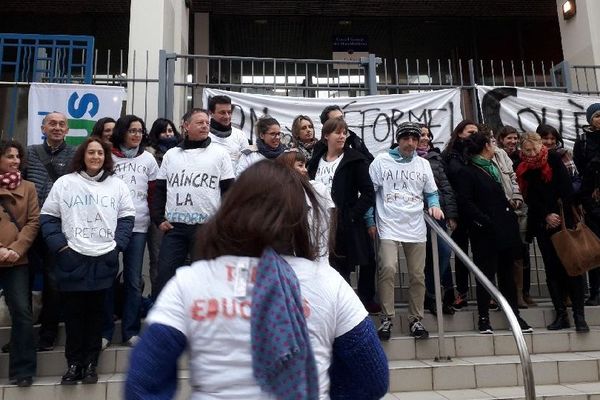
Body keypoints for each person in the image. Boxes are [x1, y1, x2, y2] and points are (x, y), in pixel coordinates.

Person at [125, 160, 388, 400]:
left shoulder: (191, 281)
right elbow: (372, 379)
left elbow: (142, 381)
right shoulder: (328, 282)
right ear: (298, 216)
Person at [40, 137, 136, 384]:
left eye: (100, 153)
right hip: (72, 258)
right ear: (82, 155)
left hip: (104, 258)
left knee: (97, 317)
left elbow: (127, 219)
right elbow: (49, 217)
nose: (95, 157)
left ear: (106, 157)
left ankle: (91, 365)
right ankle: (73, 365)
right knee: (73, 317)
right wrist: (60, 247)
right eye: (91, 153)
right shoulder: (65, 183)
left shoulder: (118, 185)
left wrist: (117, 247)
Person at [369, 122, 444, 340]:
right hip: (388, 224)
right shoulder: (381, 161)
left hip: (415, 226)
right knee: (388, 268)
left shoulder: (423, 164)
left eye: (414, 139)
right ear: (398, 139)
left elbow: (431, 192)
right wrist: (368, 221)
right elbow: (369, 192)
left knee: (417, 274)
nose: (410, 143)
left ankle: (416, 319)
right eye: (406, 139)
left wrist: (435, 205)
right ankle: (387, 318)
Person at [151, 108, 234, 298]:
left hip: (206, 227)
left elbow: (229, 191)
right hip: (175, 228)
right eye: (200, 122)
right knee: (165, 277)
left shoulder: (220, 154)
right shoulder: (171, 155)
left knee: (205, 280)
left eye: (207, 122)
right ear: (186, 126)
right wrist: (157, 218)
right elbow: (160, 190)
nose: (205, 126)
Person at [455, 131, 533, 334]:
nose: (494, 145)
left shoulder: (496, 167)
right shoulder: (469, 171)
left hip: (506, 228)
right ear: (484, 147)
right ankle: (483, 318)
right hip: (486, 232)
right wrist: (484, 221)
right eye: (491, 142)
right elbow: (466, 202)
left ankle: (514, 315)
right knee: (486, 275)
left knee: (507, 275)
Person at [517, 132, 589, 332]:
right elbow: (530, 198)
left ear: (541, 145)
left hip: (563, 220)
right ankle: (561, 314)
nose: (532, 153)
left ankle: (579, 315)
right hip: (542, 223)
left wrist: (556, 214)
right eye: (528, 150)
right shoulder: (524, 168)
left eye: (535, 148)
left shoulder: (554, 159)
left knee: (571, 267)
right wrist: (545, 216)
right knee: (551, 270)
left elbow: (566, 190)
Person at [102, 115, 159, 349]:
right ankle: (104, 332)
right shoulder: (107, 157)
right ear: (122, 132)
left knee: (134, 280)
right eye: (132, 130)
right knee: (107, 278)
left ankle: (130, 331)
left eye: (140, 131)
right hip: (109, 227)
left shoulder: (149, 159)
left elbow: (154, 194)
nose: (136, 135)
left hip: (138, 226)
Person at [23, 111, 77, 352]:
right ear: (43, 127)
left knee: (53, 281)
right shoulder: (29, 152)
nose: (57, 128)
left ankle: (48, 334)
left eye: (62, 124)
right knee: (22, 281)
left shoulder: (76, 154)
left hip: (58, 226)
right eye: (52, 123)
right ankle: (21, 336)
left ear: (67, 130)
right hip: (29, 225)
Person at [307, 118, 376, 301]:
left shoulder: (354, 160)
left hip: (342, 225)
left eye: (344, 132)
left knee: (341, 272)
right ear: (326, 136)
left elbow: (369, 193)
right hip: (317, 222)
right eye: (338, 132)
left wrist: (352, 216)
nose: (342, 136)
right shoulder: (315, 161)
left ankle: (343, 315)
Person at [0, 140, 40, 387]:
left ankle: (23, 370)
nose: (15, 161)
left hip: (17, 259)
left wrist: (15, 249)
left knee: (23, 314)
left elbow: (34, 221)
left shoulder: (29, 187)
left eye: (17, 157)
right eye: (9, 156)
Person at [417, 125, 458, 316]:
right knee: (424, 258)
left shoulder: (435, 158)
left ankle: (433, 294)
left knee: (443, 251)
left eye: (428, 135)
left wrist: (451, 214)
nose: (426, 138)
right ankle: (429, 297)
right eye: (421, 135)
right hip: (415, 216)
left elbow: (446, 187)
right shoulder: (404, 159)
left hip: (437, 215)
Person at [497, 125, 537, 307]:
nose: (512, 142)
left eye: (515, 139)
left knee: (523, 253)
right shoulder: (496, 158)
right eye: (508, 139)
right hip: (505, 210)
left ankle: (524, 292)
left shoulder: (522, 158)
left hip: (522, 209)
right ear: (501, 140)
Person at [442, 119, 478, 309]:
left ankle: (486, 293)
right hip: (459, 211)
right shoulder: (449, 155)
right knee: (461, 253)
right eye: (470, 132)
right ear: (460, 133)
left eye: (476, 133)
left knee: (482, 254)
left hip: (478, 210)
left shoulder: (479, 154)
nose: (473, 136)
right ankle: (461, 292)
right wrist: (452, 213)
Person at [146, 117, 182, 297]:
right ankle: (157, 298)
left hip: (176, 213)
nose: (168, 134)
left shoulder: (181, 154)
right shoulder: (149, 155)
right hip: (156, 213)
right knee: (157, 258)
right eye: (164, 131)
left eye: (171, 131)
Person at [574, 104, 600, 307]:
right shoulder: (582, 141)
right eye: (598, 116)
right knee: (594, 248)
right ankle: (596, 291)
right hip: (591, 201)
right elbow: (581, 171)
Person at [207, 95, 250, 170]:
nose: (227, 116)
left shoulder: (240, 135)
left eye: (229, 112)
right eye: (222, 113)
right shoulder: (204, 135)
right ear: (211, 113)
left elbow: (246, 164)